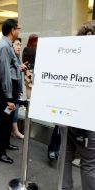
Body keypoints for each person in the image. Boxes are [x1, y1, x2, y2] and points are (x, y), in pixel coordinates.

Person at [62, 20, 95, 190]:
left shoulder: (70, 59)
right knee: (89, 163)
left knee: (65, 157)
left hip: (68, 116)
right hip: (89, 121)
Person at [0, 19, 21, 164]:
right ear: (12, 30)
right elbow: (4, 74)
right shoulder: (4, 46)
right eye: (18, 28)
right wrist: (9, 97)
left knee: (8, 119)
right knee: (4, 120)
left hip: (10, 87)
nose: (19, 31)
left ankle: (5, 144)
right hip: (6, 89)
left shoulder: (7, 45)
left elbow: (10, 66)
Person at [11, 38, 26, 139]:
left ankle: (13, 130)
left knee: (14, 109)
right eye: (17, 44)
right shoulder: (10, 57)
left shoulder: (17, 57)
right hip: (10, 88)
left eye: (20, 45)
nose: (19, 47)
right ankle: (15, 130)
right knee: (12, 109)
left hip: (16, 88)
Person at [22, 34, 38, 99]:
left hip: (28, 70)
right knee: (35, 87)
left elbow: (24, 60)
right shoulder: (39, 48)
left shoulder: (26, 49)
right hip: (37, 70)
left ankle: (29, 103)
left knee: (28, 88)